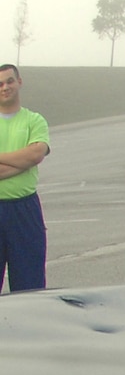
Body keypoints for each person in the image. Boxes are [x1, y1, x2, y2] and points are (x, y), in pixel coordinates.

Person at [0, 63, 51, 293]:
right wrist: (23, 163)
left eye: (10, 81)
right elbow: (29, 158)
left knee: (30, 287)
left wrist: (27, 159)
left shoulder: (34, 120)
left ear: (19, 82)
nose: (5, 87)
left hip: (25, 210)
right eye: (0, 84)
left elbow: (36, 153)